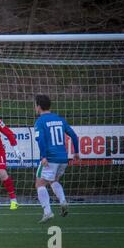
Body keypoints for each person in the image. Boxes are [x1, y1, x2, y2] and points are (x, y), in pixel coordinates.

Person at [34, 94, 80, 223]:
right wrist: (76, 152)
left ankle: (47, 212)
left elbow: (41, 140)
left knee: (39, 183)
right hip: (63, 159)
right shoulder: (60, 119)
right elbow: (74, 136)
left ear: (38, 106)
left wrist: (43, 156)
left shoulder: (40, 121)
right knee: (53, 181)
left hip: (50, 158)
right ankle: (63, 201)